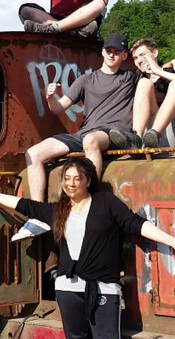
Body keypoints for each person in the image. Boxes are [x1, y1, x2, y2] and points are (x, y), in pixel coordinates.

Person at [0, 157, 175, 339]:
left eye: (77, 178)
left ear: (88, 181)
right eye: (67, 179)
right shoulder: (58, 210)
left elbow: (136, 224)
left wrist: (172, 241)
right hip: (68, 289)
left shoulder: (106, 203)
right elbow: (26, 206)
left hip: (104, 288)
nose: (71, 184)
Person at [18, 34, 139, 241]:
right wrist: (50, 97)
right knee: (33, 153)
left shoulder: (130, 77)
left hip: (112, 133)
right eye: (108, 50)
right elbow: (59, 108)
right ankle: (38, 215)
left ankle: (90, 204)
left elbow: (158, 70)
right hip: (84, 133)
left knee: (90, 141)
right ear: (102, 51)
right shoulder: (86, 80)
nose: (111, 55)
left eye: (117, 52)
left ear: (124, 56)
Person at [109, 38, 175, 149]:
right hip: (151, 137)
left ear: (155, 53)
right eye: (135, 58)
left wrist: (158, 71)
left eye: (142, 55)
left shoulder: (173, 70)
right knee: (144, 83)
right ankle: (137, 138)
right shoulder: (137, 78)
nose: (139, 60)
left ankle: (155, 132)